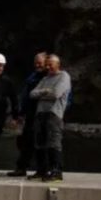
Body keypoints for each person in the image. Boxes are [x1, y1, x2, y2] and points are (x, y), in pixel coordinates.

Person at [29, 54, 71, 182]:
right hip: (40, 113)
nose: (48, 67)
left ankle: (57, 172)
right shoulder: (45, 78)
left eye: (50, 64)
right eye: (46, 64)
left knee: (54, 142)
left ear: (57, 64)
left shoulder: (64, 76)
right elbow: (32, 94)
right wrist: (45, 91)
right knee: (39, 143)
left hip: (54, 113)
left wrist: (42, 93)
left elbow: (56, 93)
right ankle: (42, 170)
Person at [7, 52, 48, 177]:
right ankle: (22, 168)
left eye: (40, 62)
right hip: (30, 114)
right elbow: (25, 97)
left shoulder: (50, 78)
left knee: (41, 142)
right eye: (35, 62)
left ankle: (42, 169)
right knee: (25, 141)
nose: (37, 65)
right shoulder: (32, 77)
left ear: (46, 63)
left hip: (43, 114)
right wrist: (20, 113)